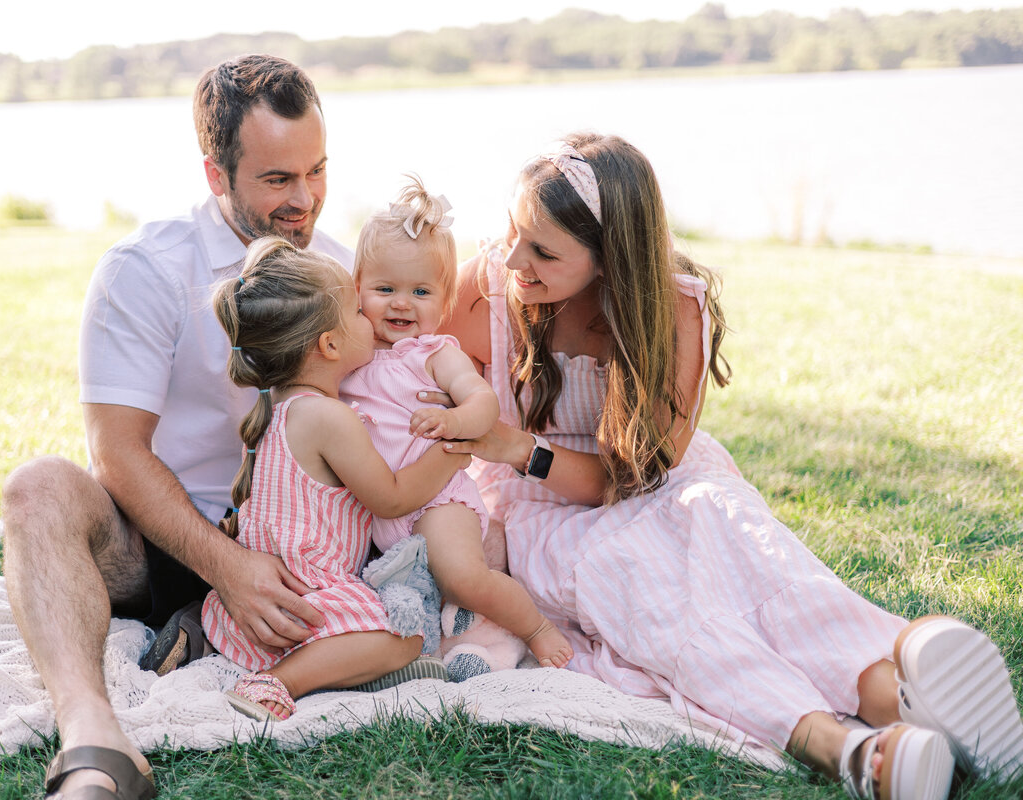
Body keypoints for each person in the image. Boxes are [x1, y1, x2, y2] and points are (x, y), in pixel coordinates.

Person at [436, 132, 1023, 800]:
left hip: (657, 484)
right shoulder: (484, 290)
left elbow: (634, 475)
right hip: (544, 514)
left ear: (609, 259)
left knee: (749, 551)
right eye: (512, 231)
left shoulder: (673, 308)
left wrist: (515, 445)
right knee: (663, 604)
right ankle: (850, 749)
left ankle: (894, 697)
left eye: (542, 249)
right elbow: (400, 367)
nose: (513, 258)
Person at [1, 55, 354, 799]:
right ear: (215, 174)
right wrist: (227, 567)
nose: (306, 200)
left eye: (317, 170)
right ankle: (94, 738)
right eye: (277, 179)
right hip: (167, 539)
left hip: (305, 550)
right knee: (37, 489)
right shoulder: (146, 268)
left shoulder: (342, 271)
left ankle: (205, 627)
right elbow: (117, 454)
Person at [196, 236, 466, 720]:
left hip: (257, 602)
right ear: (331, 344)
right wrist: (454, 452)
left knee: (394, 632)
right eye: (359, 313)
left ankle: (310, 666)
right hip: (307, 592)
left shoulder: (275, 411)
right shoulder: (329, 418)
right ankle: (278, 682)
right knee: (405, 637)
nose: (371, 319)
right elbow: (392, 498)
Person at [338, 176, 573, 669]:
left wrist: (456, 422)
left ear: (445, 304)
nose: (402, 303)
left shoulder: (433, 353)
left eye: (420, 291)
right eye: (385, 289)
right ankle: (443, 646)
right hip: (377, 512)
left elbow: (482, 401)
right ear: (356, 289)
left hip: (438, 502)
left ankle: (534, 628)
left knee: (461, 577)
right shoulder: (349, 352)